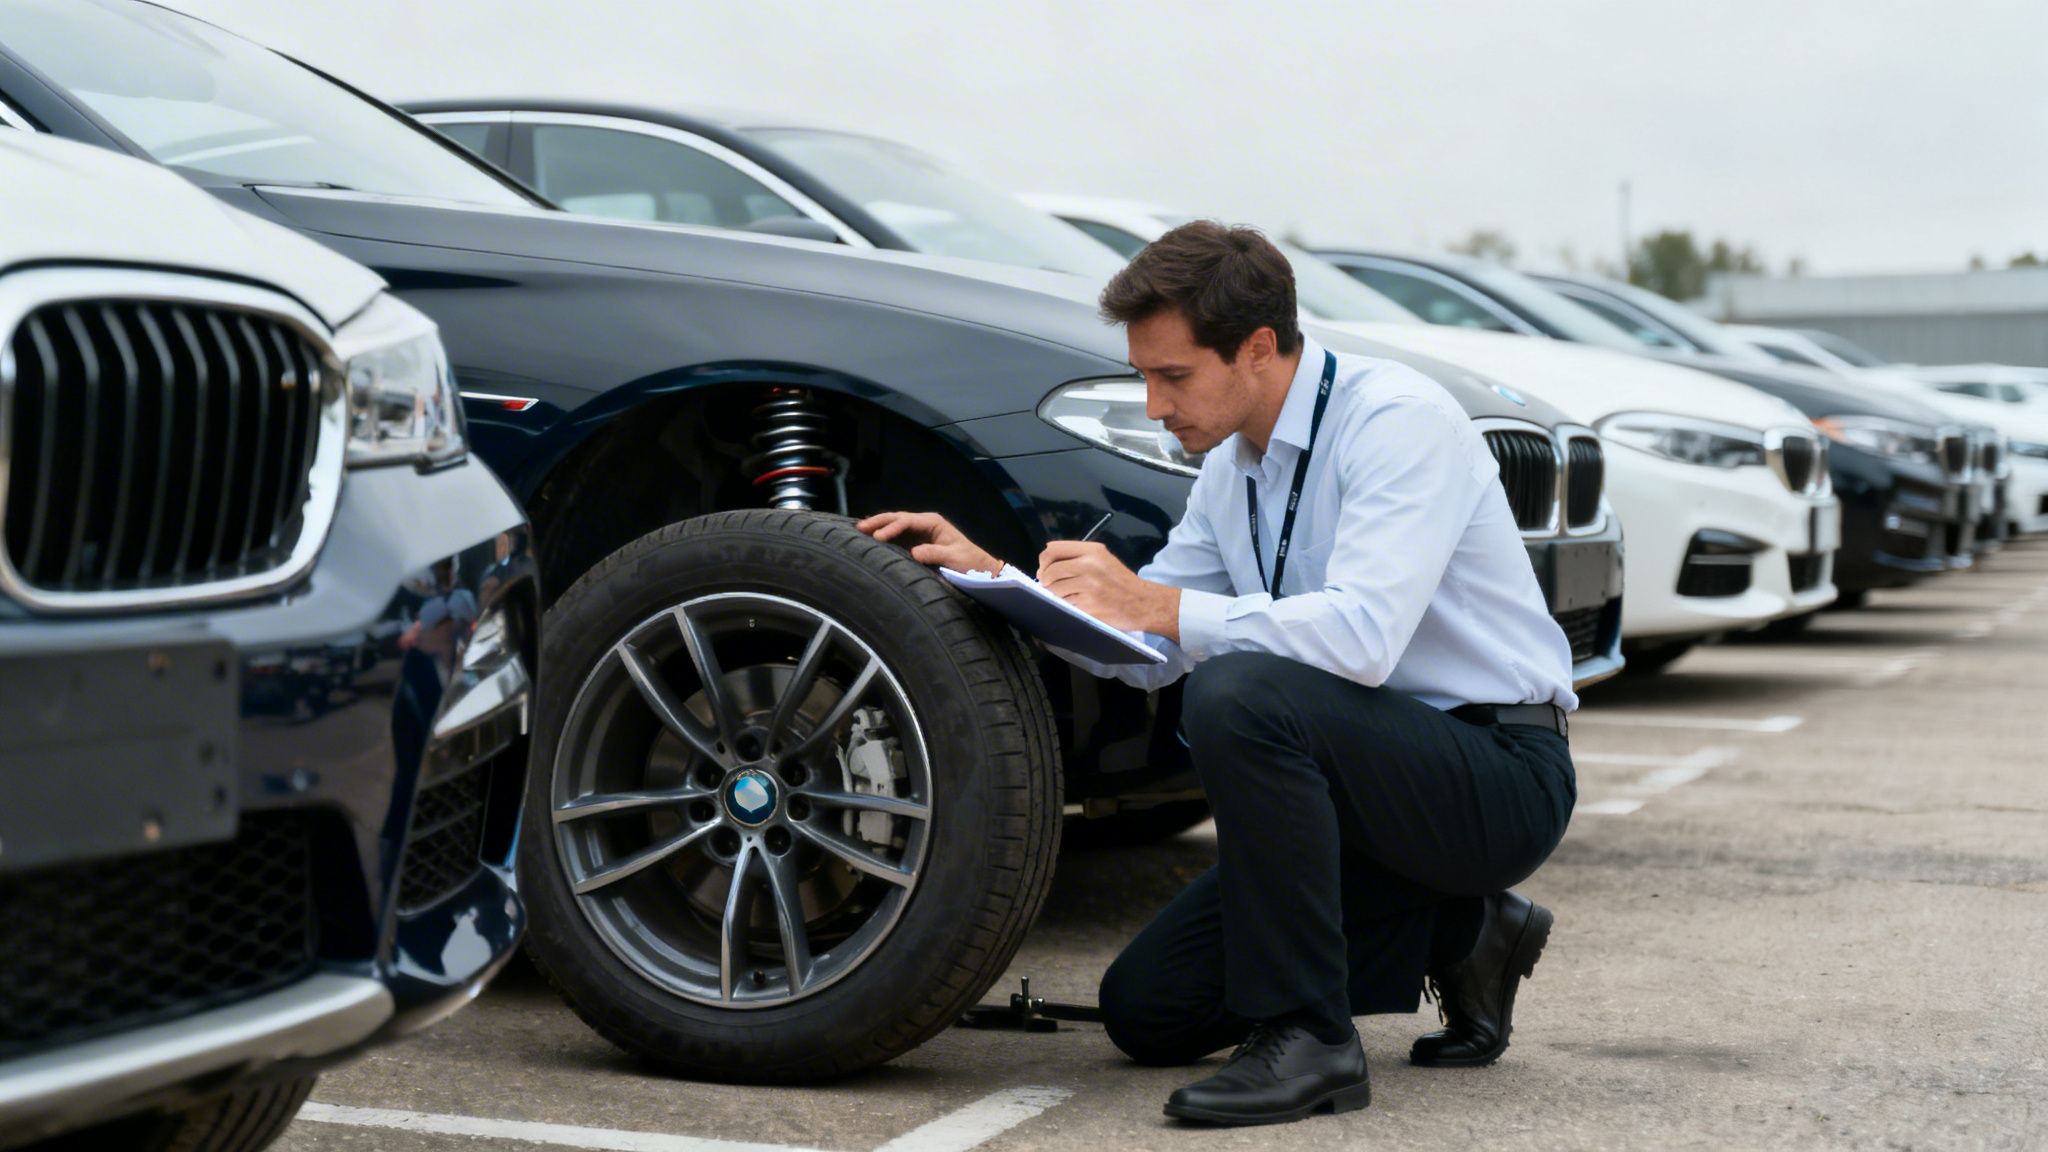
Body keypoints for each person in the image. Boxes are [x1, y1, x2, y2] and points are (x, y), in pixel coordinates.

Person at [857, 221, 1576, 1126]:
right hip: (1357, 791)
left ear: (1258, 347)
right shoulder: (1234, 465)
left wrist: (1159, 605)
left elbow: (1362, 637)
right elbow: (1147, 650)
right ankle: (1467, 929)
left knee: (1239, 690)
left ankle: (1313, 1040)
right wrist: (994, 578)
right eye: (1143, 377)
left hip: (1492, 776)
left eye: (1174, 376)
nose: (1155, 405)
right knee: (1148, 1011)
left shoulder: (1397, 421)